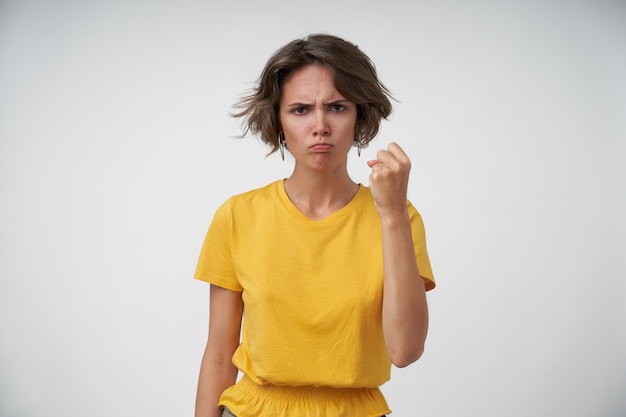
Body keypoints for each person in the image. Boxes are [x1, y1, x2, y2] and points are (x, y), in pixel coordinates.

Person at [194, 33, 436, 417]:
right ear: (278, 122)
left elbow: (405, 351)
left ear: (360, 117)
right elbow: (219, 356)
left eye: (337, 107)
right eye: (301, 109)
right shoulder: (238, 216)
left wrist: (390, 216)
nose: (320, 126)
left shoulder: (399, 217)